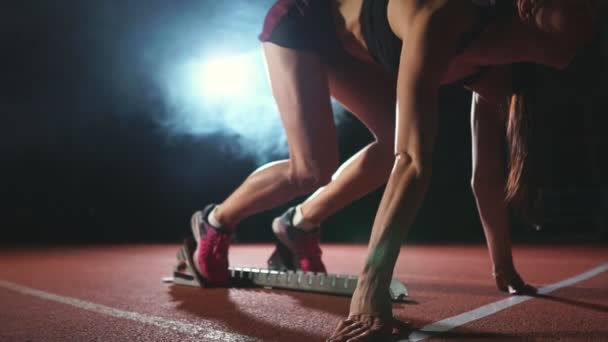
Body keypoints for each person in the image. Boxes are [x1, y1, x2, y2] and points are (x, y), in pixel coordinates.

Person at [190, 0, 599, 340]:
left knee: (390, 148)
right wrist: (371, 289)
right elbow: (415, 161)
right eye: (585, 4)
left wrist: (503, 265)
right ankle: (216, 221)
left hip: (349, 45)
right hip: (305, 21)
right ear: (529, 8)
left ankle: (298, 225)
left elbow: (485, 176)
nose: (595, 14)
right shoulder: (442, 16)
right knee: (312, 168)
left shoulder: (499, 67)